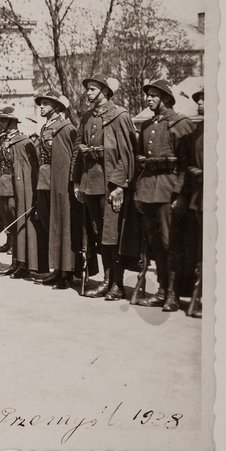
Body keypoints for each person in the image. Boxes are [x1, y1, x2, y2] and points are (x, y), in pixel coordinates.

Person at [132, 79, 196, 311]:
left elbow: (187, 164)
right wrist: (139, 192)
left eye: (154, 95)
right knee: (155, 243)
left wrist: (180, 194)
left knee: (171, 244)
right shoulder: (147, 125)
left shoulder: (181, 124)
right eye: (148, 95)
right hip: (149, 191)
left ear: (166, 98)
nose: (148, 99)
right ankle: (161, 291)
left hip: (169, 191)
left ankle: (173, 294)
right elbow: (140, 159)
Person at [72, 74, 137, 300]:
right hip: (91, 184)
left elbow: (127, 154)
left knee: (112, 234)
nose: (88, 93)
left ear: (105, 92)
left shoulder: (120, 115)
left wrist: (120, 185)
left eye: (92, 89)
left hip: (111, 185)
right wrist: (77, 181)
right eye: (88, 89)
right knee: (99, 233)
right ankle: (107, 281)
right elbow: (77, 149)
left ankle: (117, 284)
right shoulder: (87, 116)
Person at [31, 92, 80, 290]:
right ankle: (58, 269)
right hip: (45, 182)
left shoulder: (66, 128)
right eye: (40, 104)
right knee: (50, 225)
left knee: (63, 225)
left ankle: (67, 272)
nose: (41, 107)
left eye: (45, 103)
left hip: (61, 183)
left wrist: (72, 181)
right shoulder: (46, 127)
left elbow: (72, 156)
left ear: (57, 107)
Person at [0, 107, 40, 278]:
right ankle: (15, 262)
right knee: (10, 225)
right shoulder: (3, 141)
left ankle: (23, 263)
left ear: (12, 122)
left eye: (3, 121)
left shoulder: (22, 142)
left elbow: (29, 169)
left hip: (17, 190)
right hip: (4, 188)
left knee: (20, 224)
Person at [181, 88, 204, 318]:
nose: (200, 103)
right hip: (199, 198)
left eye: (205, 99)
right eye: (198, 99)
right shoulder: (199, 129)